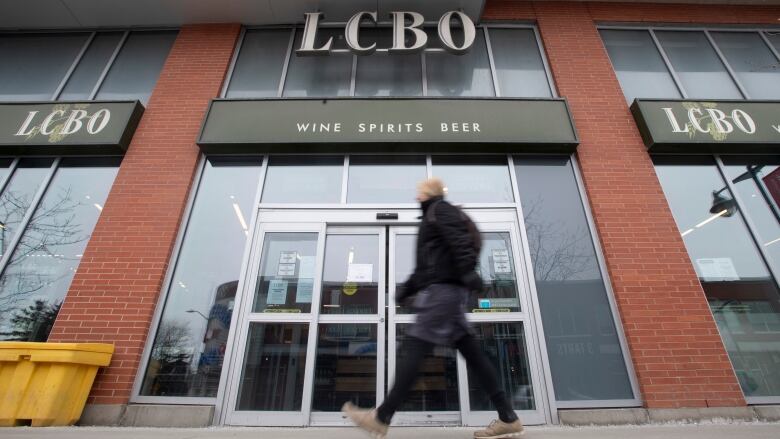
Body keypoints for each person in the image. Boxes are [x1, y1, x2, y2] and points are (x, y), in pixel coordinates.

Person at [342, 178, 524, 439]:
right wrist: (407, 288)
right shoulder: (430, 218)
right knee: (473, 354)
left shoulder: (441, 210)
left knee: (414, 346)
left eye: (420, 190)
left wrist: (468, 272)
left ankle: (381, 417)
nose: (416, 194)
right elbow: (424, 268)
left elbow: (460, 242)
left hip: (444, 293)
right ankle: (509, 417)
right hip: (447, 292)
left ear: (429, 193)